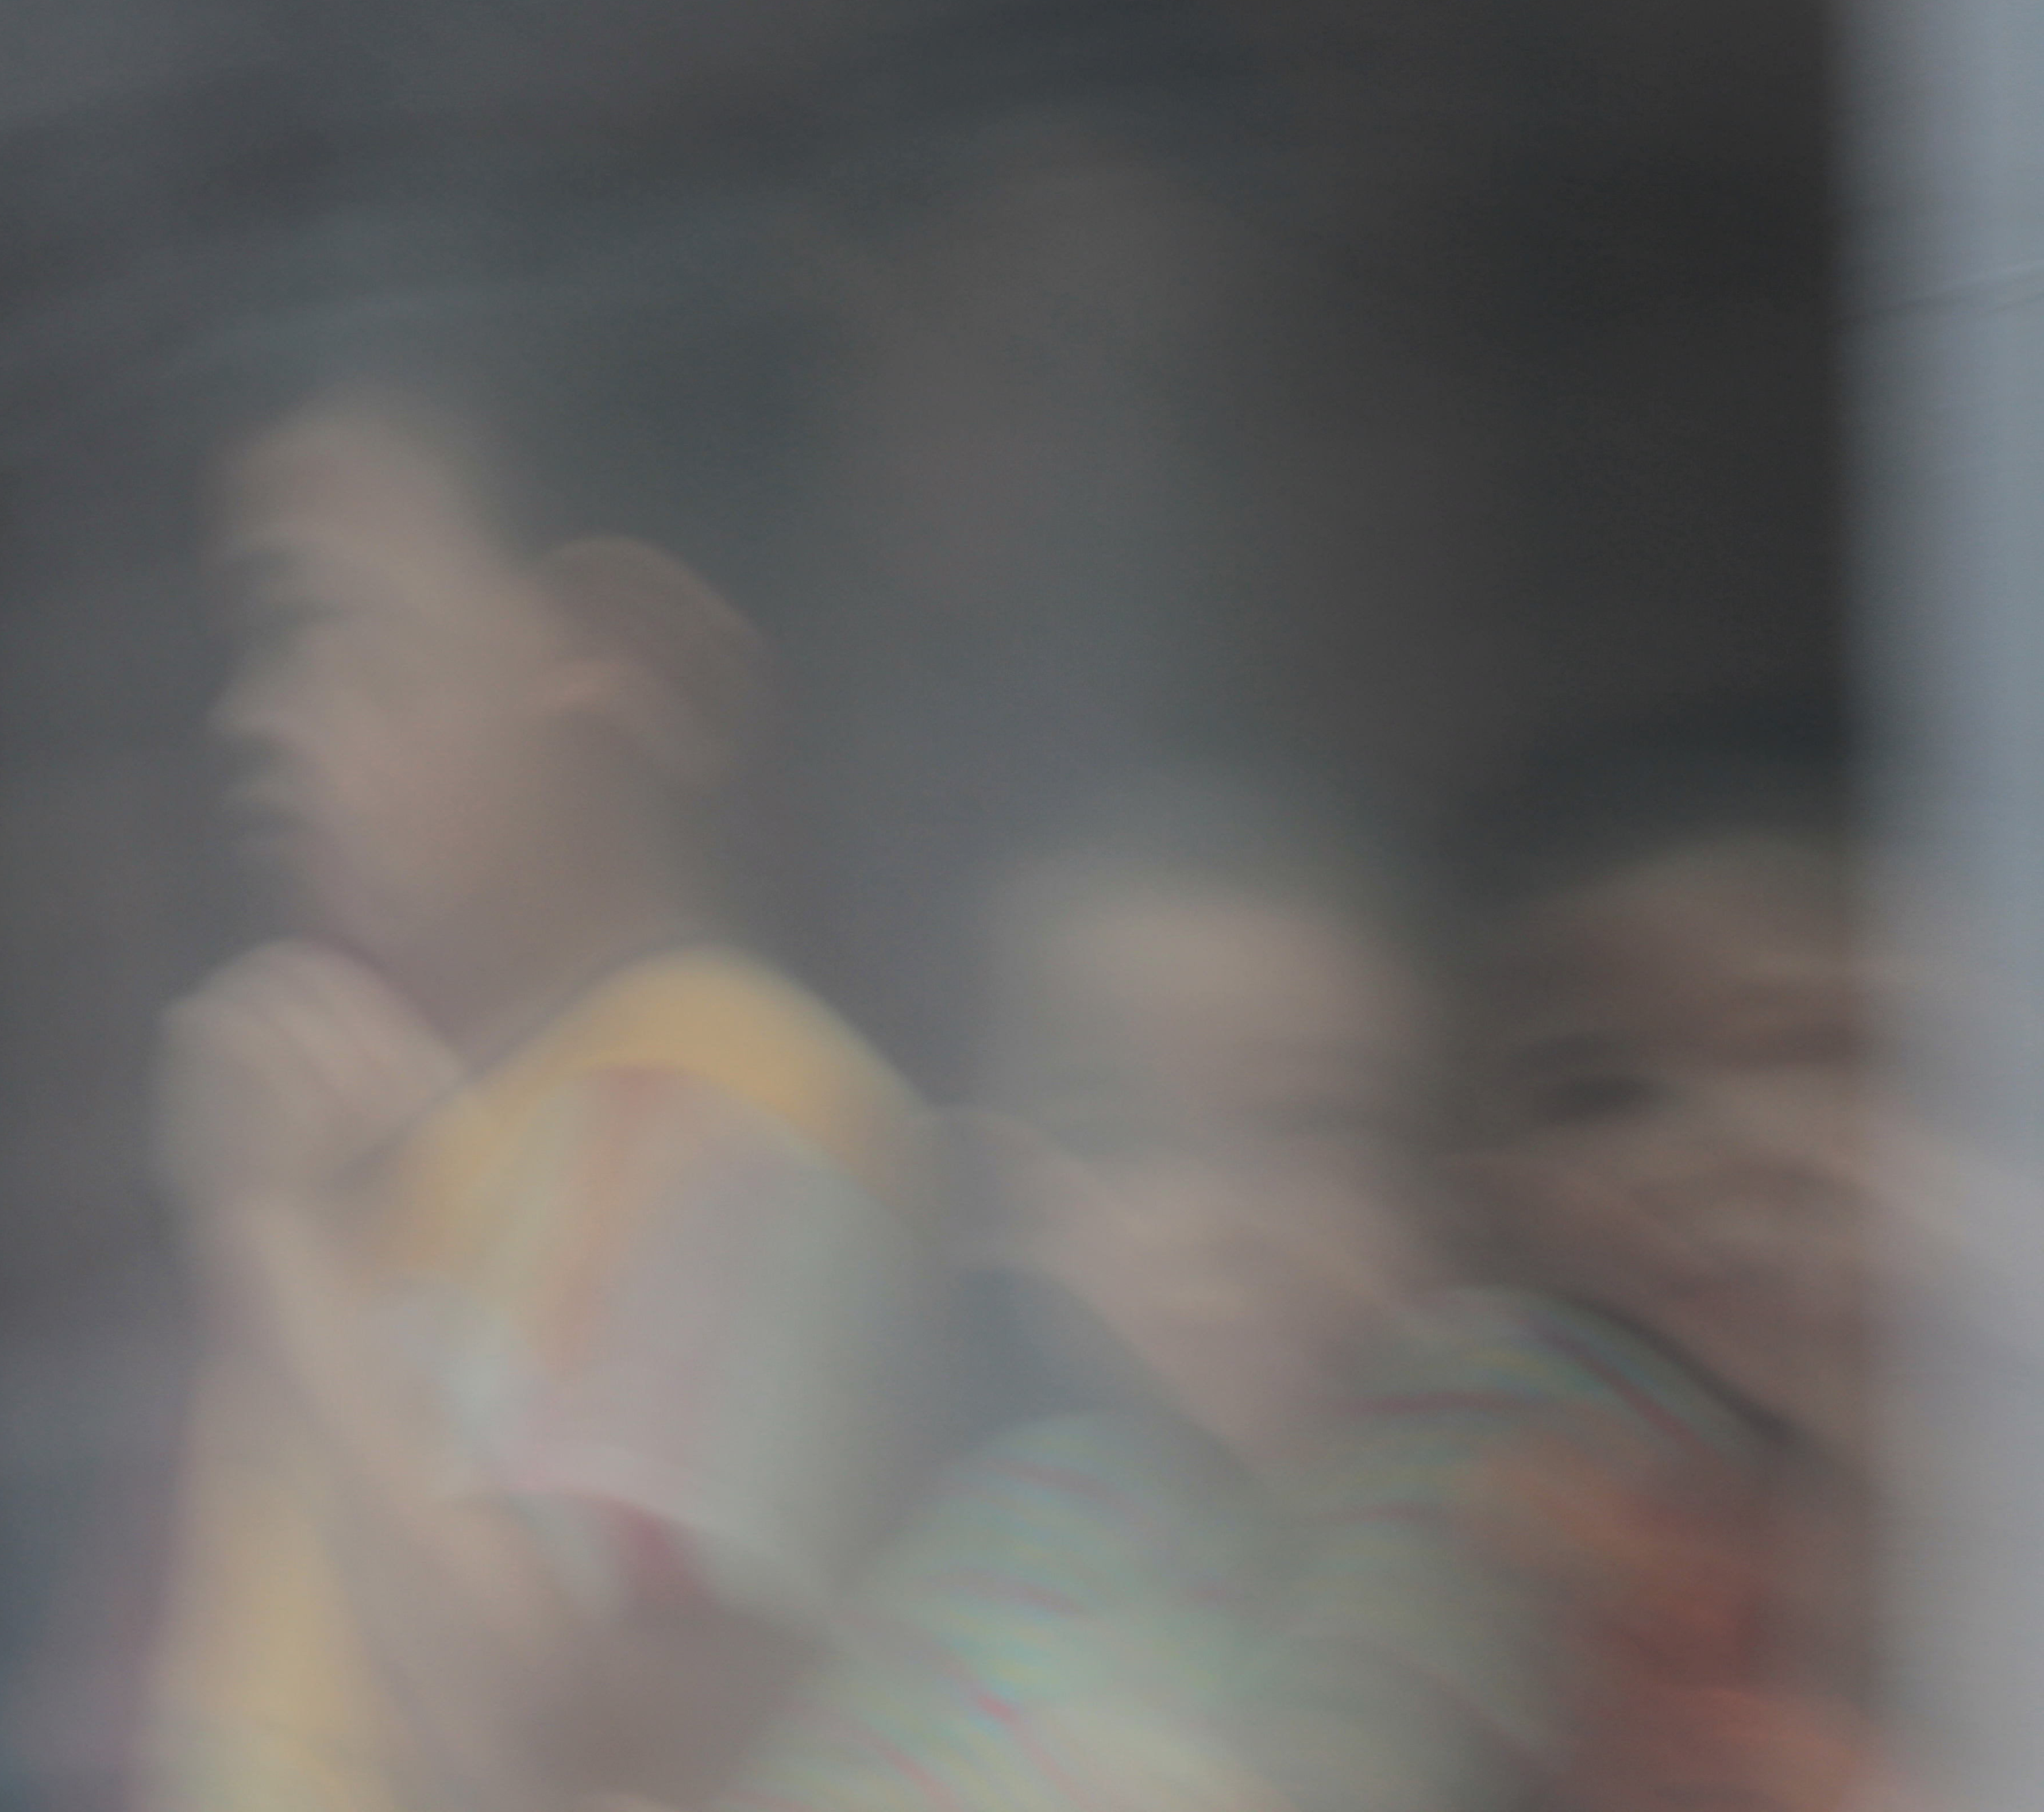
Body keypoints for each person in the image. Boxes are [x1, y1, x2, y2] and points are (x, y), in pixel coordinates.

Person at [137, 261, 937, 1812]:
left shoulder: (746, 1110)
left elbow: (562, 1753)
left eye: (323, 627)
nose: (257, 715)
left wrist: (269, 1244)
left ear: (606, 654)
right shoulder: (374, 1134)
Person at [722, 779, 1435, 1812]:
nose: (1217, 1222)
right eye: (1114, 1139)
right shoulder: (1015, 1539)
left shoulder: (1485, 1500)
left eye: (1313, 1123)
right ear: (1003, 1197)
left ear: (1441, 1184)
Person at [1240, 719, 1904, 1812]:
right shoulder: (1518, 1420)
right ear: (1484, 1186)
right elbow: (1367, 1710)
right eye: (1597, 1096)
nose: (1716, 1150)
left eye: (1817, 1047)